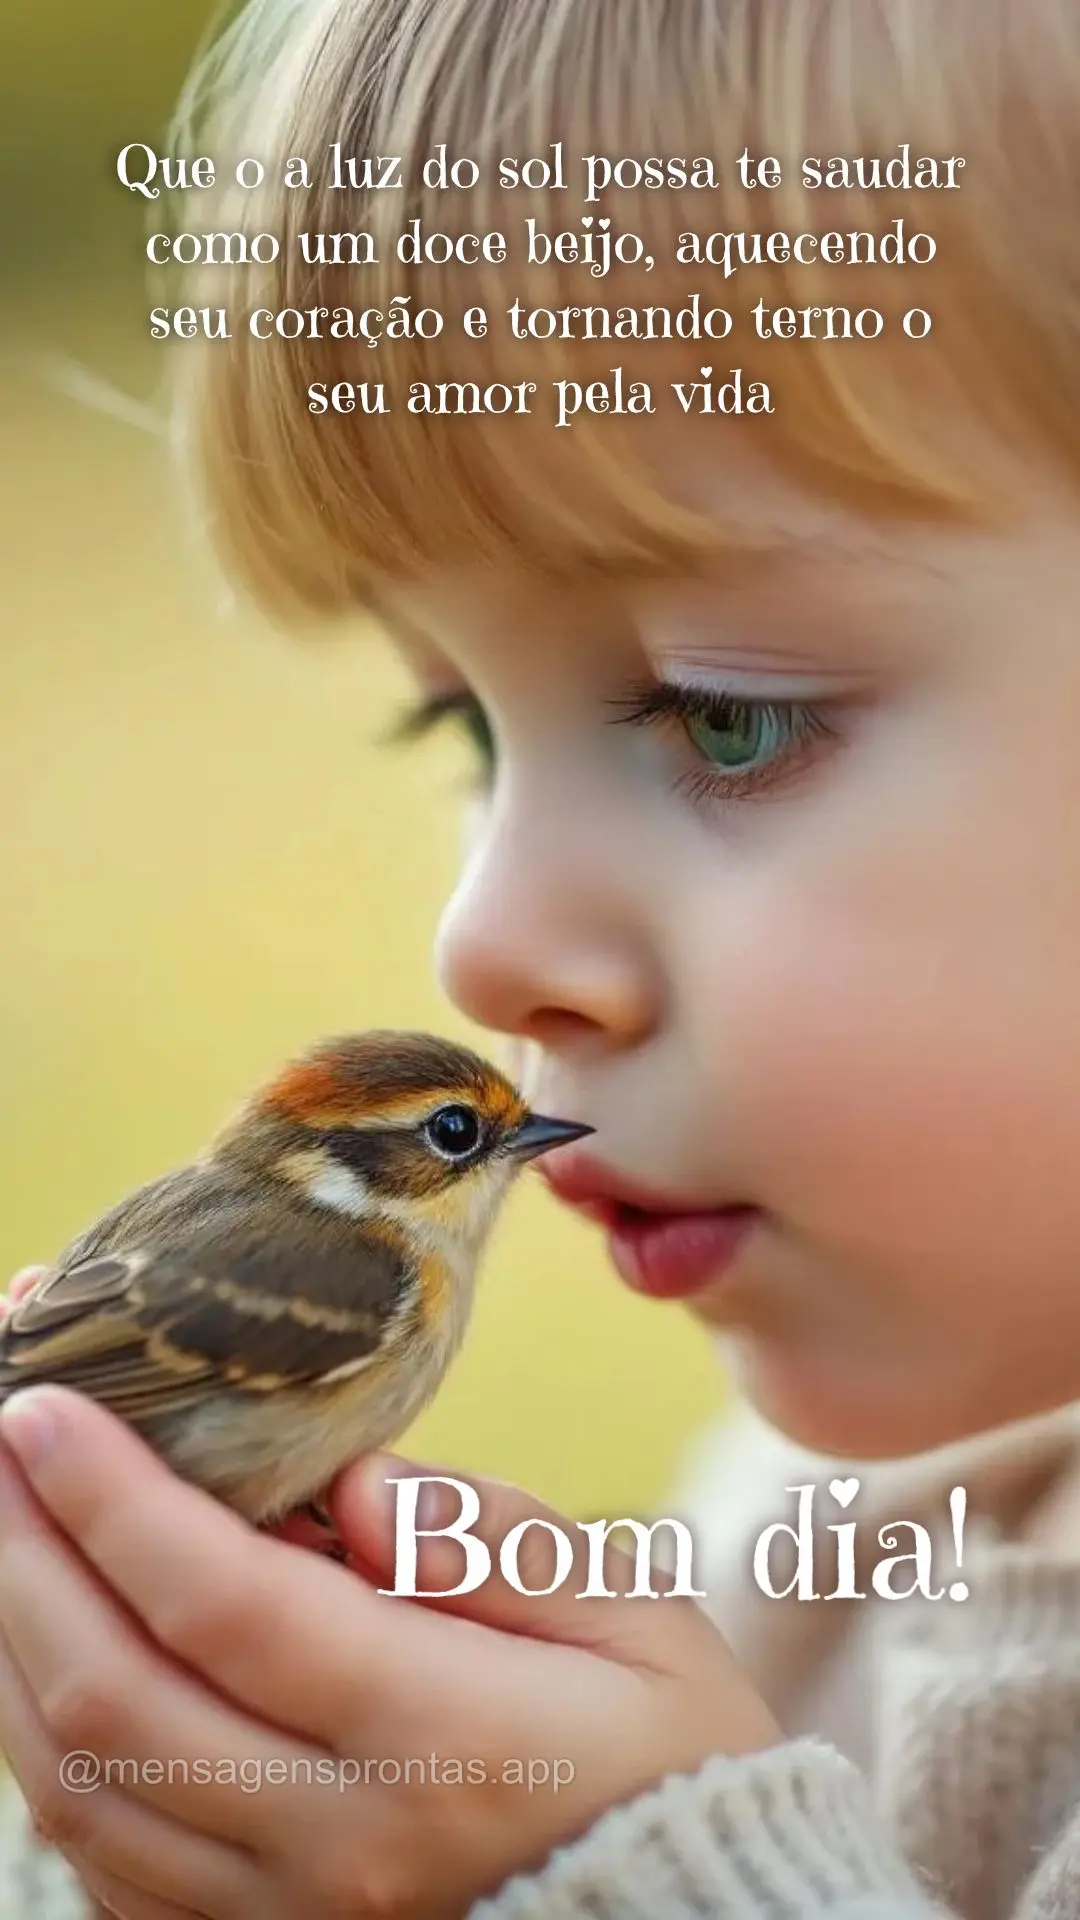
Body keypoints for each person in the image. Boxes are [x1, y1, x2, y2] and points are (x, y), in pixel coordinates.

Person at [6, 0, 1080, 1912]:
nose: (483, 938)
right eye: (463, 732)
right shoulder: (788, 1543)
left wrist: (634, 1875)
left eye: (728, 717)